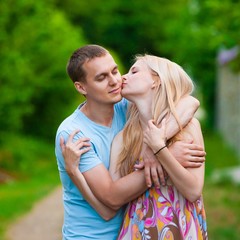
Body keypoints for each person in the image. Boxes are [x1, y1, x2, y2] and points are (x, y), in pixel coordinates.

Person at [55, 45, 205, 239]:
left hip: (132, 229)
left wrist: (155, 145)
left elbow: (189, 102)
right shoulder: (73, 134)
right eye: (102, 78)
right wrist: (165, 156)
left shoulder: (126, 106)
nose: (115, 81)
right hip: (91, 235)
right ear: (81, 87)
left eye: (115, 71)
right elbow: (111, 200)